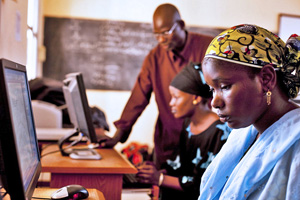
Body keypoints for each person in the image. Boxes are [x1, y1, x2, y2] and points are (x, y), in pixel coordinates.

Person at [102, 3, 213, 169]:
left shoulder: (208, 48)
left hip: (205, 142)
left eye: (165, 32)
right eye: (156, 34)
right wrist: (118, 135)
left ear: (181, 25)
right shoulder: (155, 57)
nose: (161, 39)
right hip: (169, 143)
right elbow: (138, 97)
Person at [198, 24, 300, 200]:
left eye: (224, 87)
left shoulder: (296, 148)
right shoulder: (244, 135)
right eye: (212, 89)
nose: (215, 102)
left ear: (266, 79)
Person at [136, 62, 231, 200]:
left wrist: (160, 178)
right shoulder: (189, 124)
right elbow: (179, 165)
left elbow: (204, 184)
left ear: (196, 98)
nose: (171, 103)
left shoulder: (220, 132)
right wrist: (156, 171)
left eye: (176, 97)